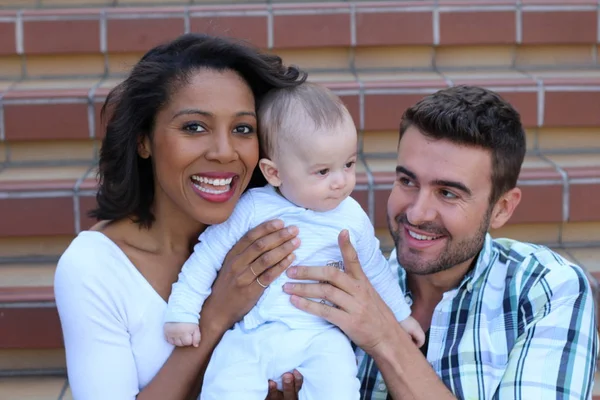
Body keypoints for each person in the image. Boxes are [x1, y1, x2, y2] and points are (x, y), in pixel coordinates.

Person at [282, 85, 599, 399]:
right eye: (407, 181)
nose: (417, 214)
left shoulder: (546, 289)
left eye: (448, 193)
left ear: (502, 208)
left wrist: (385, 338)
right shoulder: (346, 282)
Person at [53, 33, 308, 400]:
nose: (224, 152)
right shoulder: (94, 266)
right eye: (194, 127)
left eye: (242, 129)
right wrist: (216, 317)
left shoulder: (276, 234)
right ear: (143, 140)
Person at [162, 83, 424, 400]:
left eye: (349, 164)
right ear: (274, 173)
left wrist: (401, 318)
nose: (341, 181)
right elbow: (208, 256)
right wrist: (183, 313)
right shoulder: (253, 208)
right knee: (226, 384)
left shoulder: (350, 216)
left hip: (322, 335)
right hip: (253, 333)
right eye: (323, 171)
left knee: (339, 384)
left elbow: (375, 270)